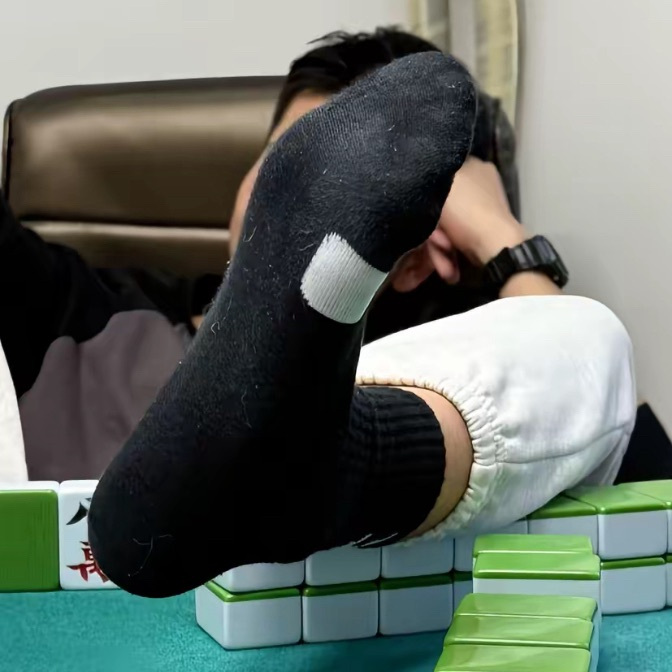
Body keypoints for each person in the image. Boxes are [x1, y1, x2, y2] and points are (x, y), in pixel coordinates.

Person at [84, 51, 635, 599]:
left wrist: (500, 238)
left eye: (359, 185)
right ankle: (315, 463)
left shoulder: (450, 351)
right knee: (590, 338)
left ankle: (321, 455)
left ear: (414, 259)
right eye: (299, 163)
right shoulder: (76, 304)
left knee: (592, 335)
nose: (324, 185)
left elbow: (642, 496)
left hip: (368, 458)